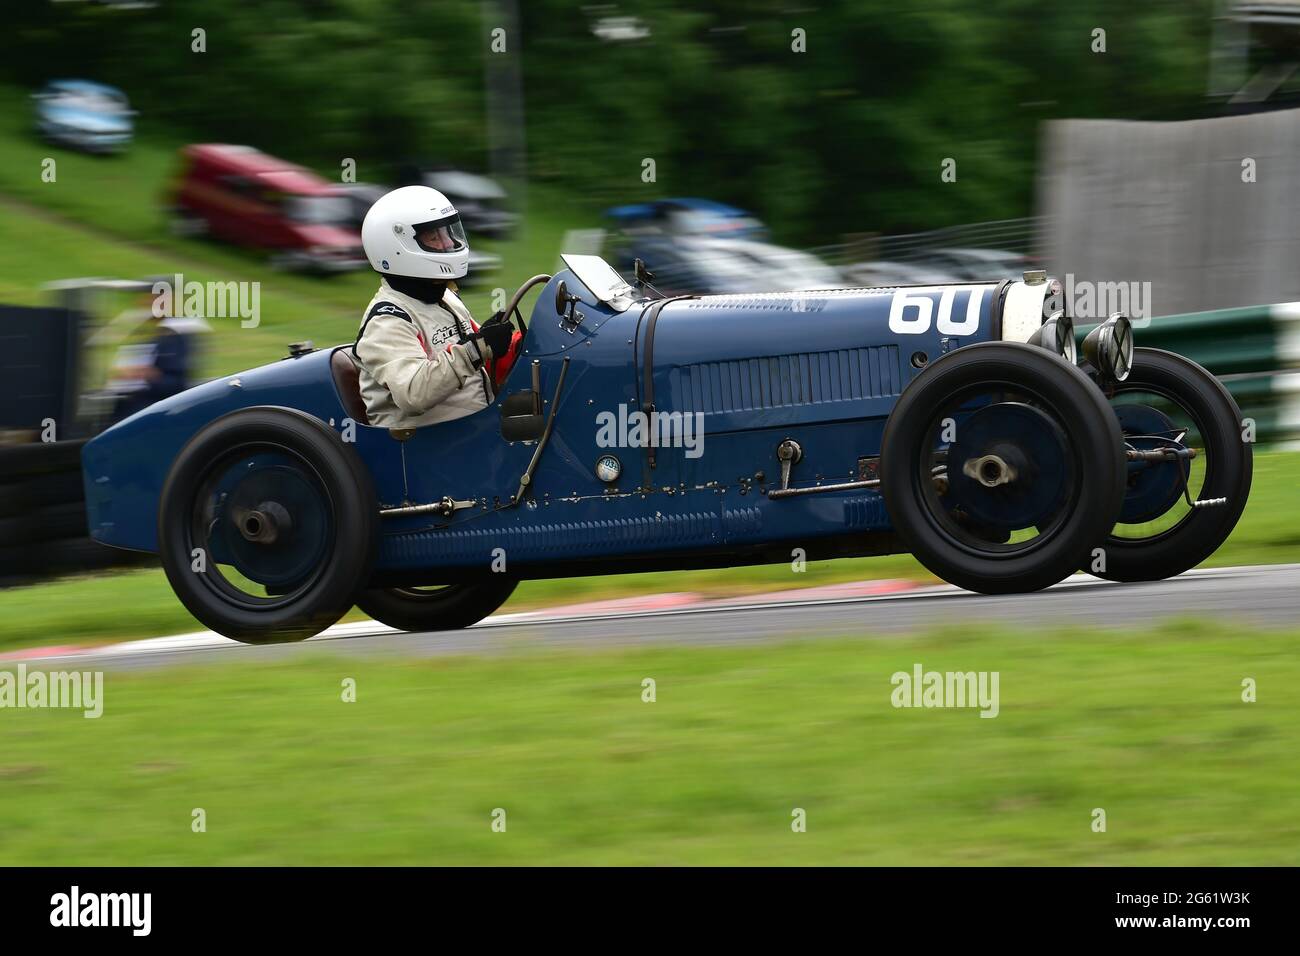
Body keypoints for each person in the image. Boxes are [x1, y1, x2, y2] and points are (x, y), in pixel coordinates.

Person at [354, 185, 513, 429]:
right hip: (427, 450)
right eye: (434, 237)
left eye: (447, 233)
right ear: (396, 247)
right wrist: (476, 349)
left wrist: (523, 343)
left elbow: (484, 354)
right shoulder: (387, 321)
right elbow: (414, 394)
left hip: (475, 430)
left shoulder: (445, 298)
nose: (449, 242)